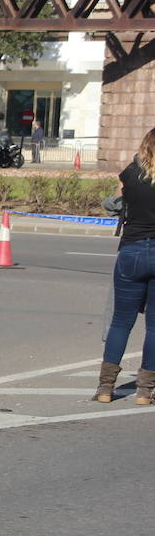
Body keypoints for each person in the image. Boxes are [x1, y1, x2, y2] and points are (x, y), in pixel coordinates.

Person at [93, 127, 155, 404]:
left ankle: (105, 387)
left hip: (131, 251)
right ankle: (145, 391)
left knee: (121, 321)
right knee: (154, 326)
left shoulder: (130, 174)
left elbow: (114, 205)